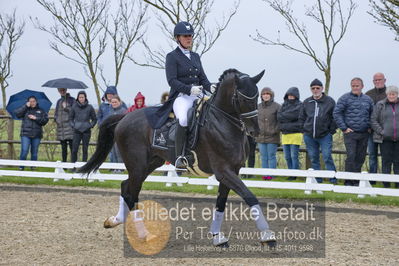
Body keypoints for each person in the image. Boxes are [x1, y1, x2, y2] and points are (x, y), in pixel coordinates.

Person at [161, 21, 216, 169]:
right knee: (184, 118)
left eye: (190, 36)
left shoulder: (196, 56)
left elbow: (203, 78)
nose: (189, 38)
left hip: (198, 95)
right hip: (181, 97)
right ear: (177, 38)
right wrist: (188, 89)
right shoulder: (172, 56)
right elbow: (171, 80)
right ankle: (180, 156)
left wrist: (210, 86)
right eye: (186, 36)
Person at [333, 78, 373, 186]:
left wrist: (369, 126)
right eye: (353, 86)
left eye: (357, 86)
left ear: (362, 86)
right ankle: (348, 180)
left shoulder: (368, 99)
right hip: (350, 133)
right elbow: (337, 113)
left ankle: (356, 180)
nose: (355, 88)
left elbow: (372, 115)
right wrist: (344, 128)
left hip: (364, 133)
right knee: (351, 156)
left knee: (360, 157)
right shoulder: (344, 98)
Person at [300, 79, 337, 184]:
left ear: (322, 88)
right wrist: (304, 130)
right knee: (313, 158)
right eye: (313, 88)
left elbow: (335, 117)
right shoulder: (307, 102)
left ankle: (333, 179)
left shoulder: (330, 101)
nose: (315, 90)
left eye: (317, 88)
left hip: (325, 135)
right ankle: (318, 180)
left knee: (327, 157)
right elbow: (301, 117)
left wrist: (331, 130)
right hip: (309, 135)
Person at [371, 85, 399, 188]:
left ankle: (397, 185)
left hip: (398, 140)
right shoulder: (380, 105)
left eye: (394, 94)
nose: (391, 96)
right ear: (387, 94)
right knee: (386, 162)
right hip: (385, 139)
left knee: (398, 162)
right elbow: (373, 120)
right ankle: (386, 185)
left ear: (397, 94)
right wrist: (382, 131)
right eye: (390, 94)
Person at [15, 96, 49, 170]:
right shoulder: (25, 109)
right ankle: (21, 167)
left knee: (34, 152)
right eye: (30, 101)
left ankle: (33, 167)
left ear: (36, 101)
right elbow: (17, 114)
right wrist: (25, 106)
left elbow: (45, 121)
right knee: (24, 151)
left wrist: (36, 118)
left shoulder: (41, 110)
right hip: (25, 134)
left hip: (37, 135)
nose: (32, 103)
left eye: (33, 101)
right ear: (28, 102)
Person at [365, 72, 387, 184]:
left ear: (385, 80)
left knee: (385, 157)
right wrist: (368, 126)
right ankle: (372, 181)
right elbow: (365, 112)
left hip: (385, 132)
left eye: (380, 79)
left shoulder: (390, 94)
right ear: (373, 82)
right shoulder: (368, 94)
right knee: (372, 156)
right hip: (371, 132)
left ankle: (385, 181)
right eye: (375, 80)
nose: (378, 82)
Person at [277, 87, 303, 180]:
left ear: (296, 96)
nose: (290, 96)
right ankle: (290, 172)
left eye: (292, 95)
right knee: (287, 156)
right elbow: (279, 117)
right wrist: (289, 117)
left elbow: (296, 115)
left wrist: (286, 116)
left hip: (296, 134)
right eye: (289, 95)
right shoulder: (283, 105)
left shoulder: (300, 105)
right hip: (285, 134)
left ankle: (295, 174)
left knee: (294, 156)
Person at [255, 87, 280, 180]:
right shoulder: (258, 106)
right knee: (263, 157)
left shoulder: (277, 106)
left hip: (272, 137)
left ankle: (271, 175)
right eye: (264, 94)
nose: (265, 95)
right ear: (261, 96)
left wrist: (274, 131)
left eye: (267, 94)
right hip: (261, 137)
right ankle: (265, 175)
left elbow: (280, 121)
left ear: (271, 95)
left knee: (271, 156)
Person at [70, 91, 97, 163]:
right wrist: (73, 126)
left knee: (85, 149)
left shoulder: (90, 107)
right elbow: (70, 119)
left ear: (85, 98)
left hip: (86, 131)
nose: (81, 99)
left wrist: (90, 125)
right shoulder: (74, 107)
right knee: (74, 149)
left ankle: (84, 165)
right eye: (80, 97)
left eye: (82, 97)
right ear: (77, 98)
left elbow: (94, 119)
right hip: (76, 131)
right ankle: (73, 166)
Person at [54, 88, 75, 162]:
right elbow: (56, 114)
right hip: (61, 128)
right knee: (63, 148)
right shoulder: (58, 101)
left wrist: (66, 108)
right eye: (60, 90)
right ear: (58, 91)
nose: (62, 91)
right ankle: (64, 165)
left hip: (70, 128)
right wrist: (56, 120)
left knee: (72, 148)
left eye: (63, 90)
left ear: (66, 90)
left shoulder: (72, 100)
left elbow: (74, 113)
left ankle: (73, 164)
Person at [109, 95, 127, 170]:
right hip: (112, 134)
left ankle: (121, 168)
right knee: (113, 152)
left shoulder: (123, 111)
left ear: (119, 102)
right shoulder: (110, 111)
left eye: (115, 102)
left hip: (120, 134)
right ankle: (114, 168)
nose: (114, 103)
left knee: (119, 152)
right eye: (112, 102)